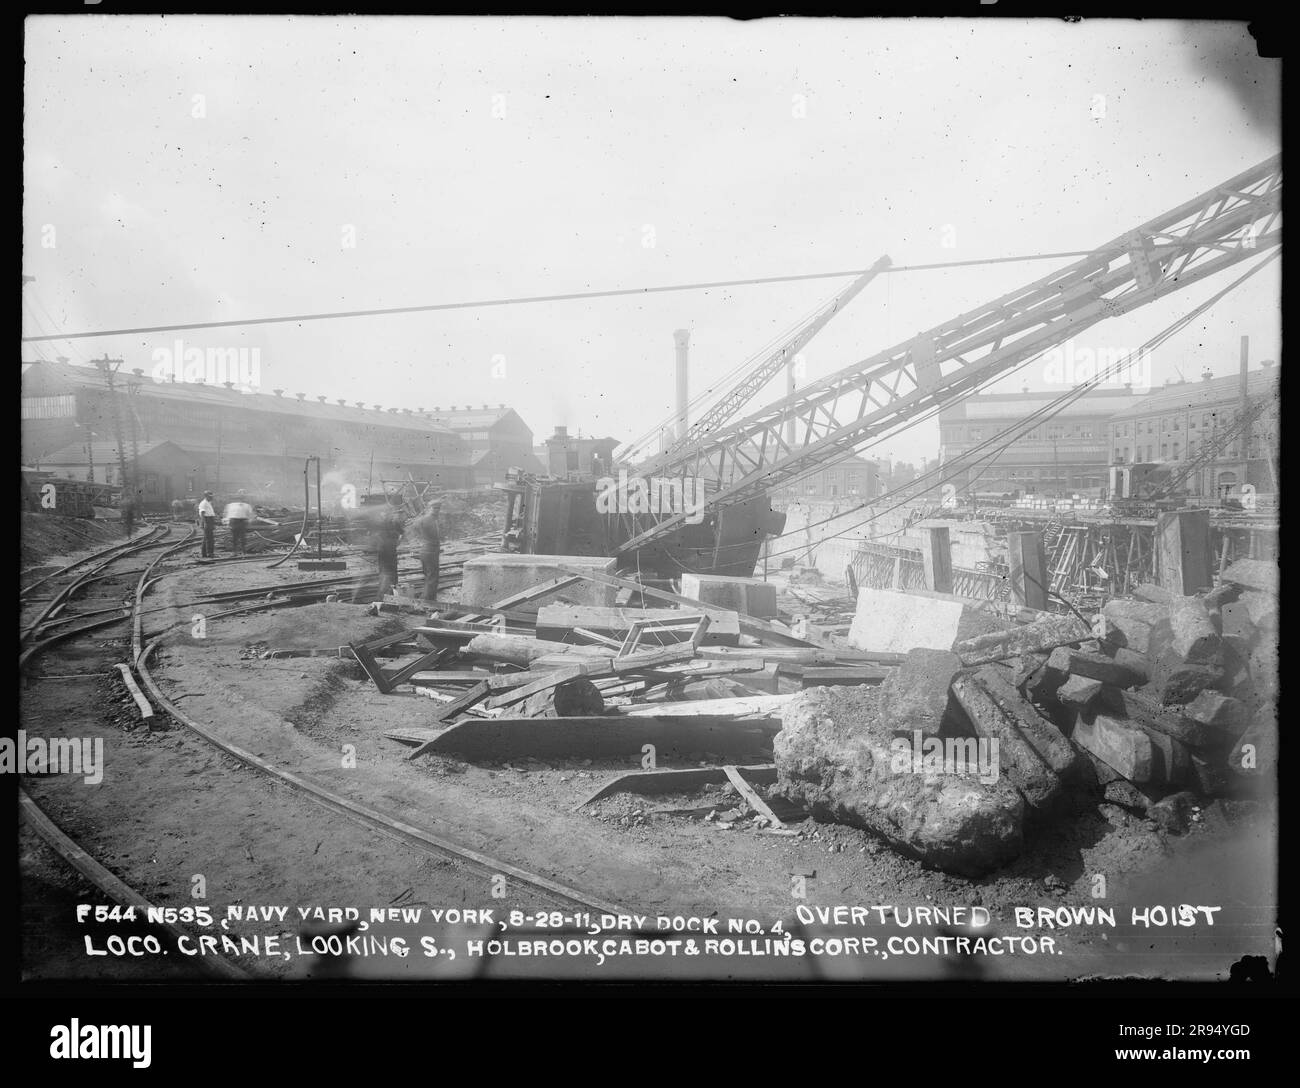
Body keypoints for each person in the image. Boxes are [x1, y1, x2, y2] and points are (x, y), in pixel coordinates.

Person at [411, 505, 441, 602]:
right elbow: (436, 535)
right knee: (432, 577)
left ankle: (426, 598)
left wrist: (421, 537)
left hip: (424, 549)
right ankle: (429, 601)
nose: (437, 511)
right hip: (431, 550)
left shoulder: (421, 519)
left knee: (428, 576)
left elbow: (413, 527)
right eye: (437, 509)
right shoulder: (432, 520)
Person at [224, 490, 254, 555]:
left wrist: (248, 521)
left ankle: (242, 551)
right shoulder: (231, 505)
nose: (241, 499)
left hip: (241, 521)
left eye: (242, 498)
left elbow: (250, 515)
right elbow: (227, 514)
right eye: (240, 498)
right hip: (235, 521)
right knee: (236, 538)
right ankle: (236, 551)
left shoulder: (247, 506)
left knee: (241, 538)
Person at [197, 490, 217, 558]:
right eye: (210, 496)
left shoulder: (208, 503)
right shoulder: (203, 503)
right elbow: (202, 513)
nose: (211, 498)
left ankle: (204, 553)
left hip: (210, 520)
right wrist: (204, 523)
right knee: (209, 538)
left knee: (206, 537)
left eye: (212, 496)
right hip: (207, 520)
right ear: (206, 496)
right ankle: (209, 553)